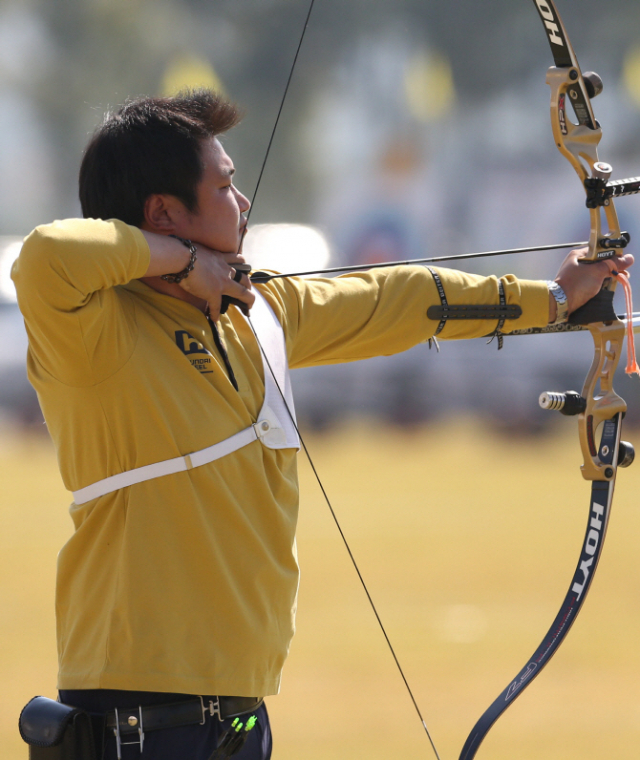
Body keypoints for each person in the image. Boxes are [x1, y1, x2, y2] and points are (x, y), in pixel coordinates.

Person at [11, 89, 632, 760]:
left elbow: (398, 299)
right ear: (164, 213)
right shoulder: (96, 332)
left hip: (242, 713)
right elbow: (47, 255)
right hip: (135, 714)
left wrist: (556, 300)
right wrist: (186, 262)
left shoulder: (257, 311)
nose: (243, 202)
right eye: (223, 186)